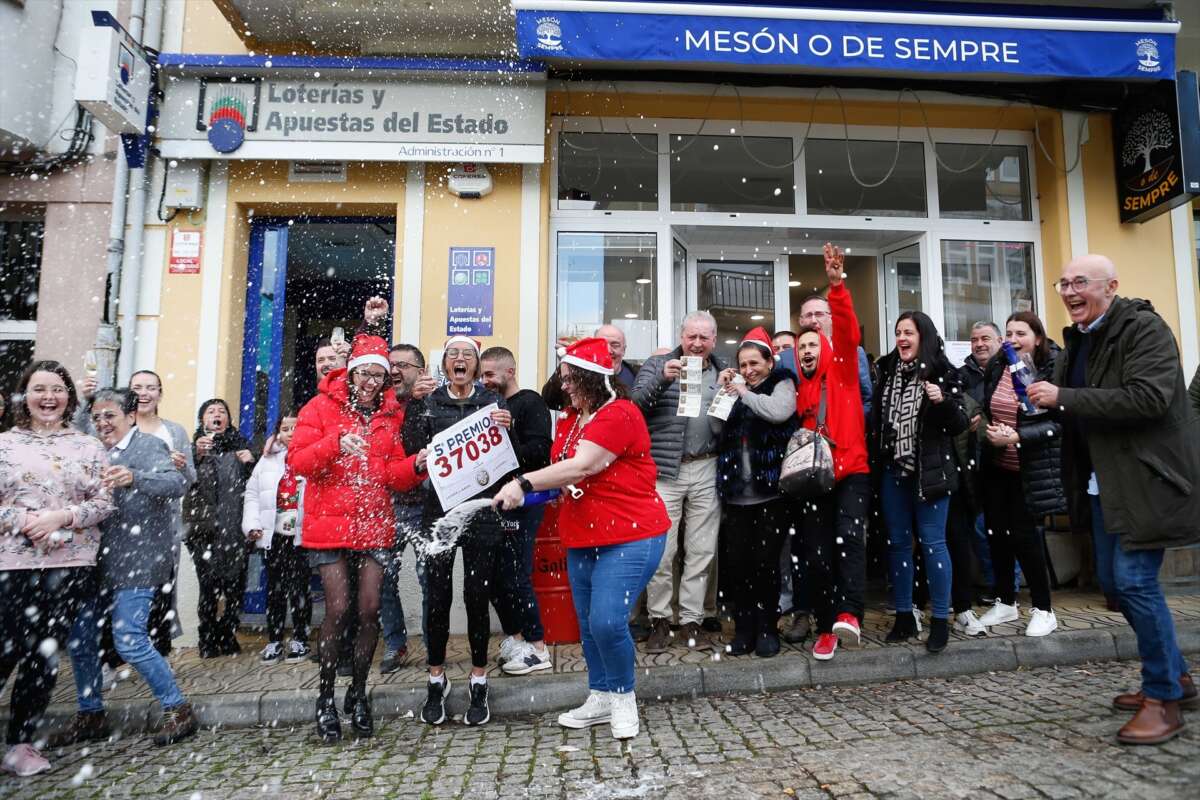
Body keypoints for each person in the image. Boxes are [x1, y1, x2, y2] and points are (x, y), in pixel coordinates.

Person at [1028, 254, 1200, 745]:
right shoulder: (1080, 339)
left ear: (1112, 286)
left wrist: (1061, 397)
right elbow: (1078, 408)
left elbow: (1147, 398)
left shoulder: (1144, 329)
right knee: (1114, 583)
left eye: (1081, 281)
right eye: (1064, 282)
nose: (1069, 290)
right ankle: (1178, 675)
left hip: (1148, 480)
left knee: (1134, 581)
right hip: (1105, 484)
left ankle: (1163, 698)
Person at [493, 337, 669, 739]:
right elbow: (563, 482)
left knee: (608, 621)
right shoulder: (572, 421)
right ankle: (600, 694)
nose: (566, 385)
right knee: (589, 626)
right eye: (565, 377)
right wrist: (521, 495)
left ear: (592, 379)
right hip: (584, 537)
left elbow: (582, 467)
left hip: (631, 535)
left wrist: (522, 481)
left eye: (573, 378)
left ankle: (624, 698)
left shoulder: (620, 414)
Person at [289, 334, 421, 743]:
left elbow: (393, 475)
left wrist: (420, 465)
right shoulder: (319, 407)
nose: (369, 382)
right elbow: (297, 461)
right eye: (364, 373)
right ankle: (326, 697)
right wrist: (333, 444)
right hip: (329, 526)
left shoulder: (390, 416)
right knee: (339, 610)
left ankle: (359, 694)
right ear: (350, 373)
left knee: (368, 611)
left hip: (374, 522)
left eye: (378, 376)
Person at [58, 389, 194, 749]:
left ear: (130, 416)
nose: (102, 423)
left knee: (129, 640)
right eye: (97, 417)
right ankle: (91, 714)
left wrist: (135, 477)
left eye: (110, 416)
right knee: (81, 640)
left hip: (138, 560)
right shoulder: (89, 449)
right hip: (91, 561)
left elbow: (176, 483)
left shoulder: (148, 445)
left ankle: (177, 707)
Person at [0, 361, 114, 777]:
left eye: (57, 389)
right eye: (39, 389)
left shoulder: (87, 446)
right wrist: (28, 521)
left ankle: (21, 743)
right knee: (6, 648)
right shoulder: (5, 445)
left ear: (68, 396)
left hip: (70, 563)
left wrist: (63, 517)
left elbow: (103, 502)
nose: (48, 397)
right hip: (13, 563)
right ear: (23, 396)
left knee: (44, 654)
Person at [402, 335, 512, 727]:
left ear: (478, 366)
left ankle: (479, 677)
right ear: (444, 364)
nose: (460, 359)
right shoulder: (428, 402)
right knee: (437, 596)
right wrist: (412, 404)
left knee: (476, 596)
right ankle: (436, 677)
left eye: (468, 355)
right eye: (453, 355)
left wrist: (508, 425)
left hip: (481, 513)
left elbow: (508, 460)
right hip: (439, 515)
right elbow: (410, 449)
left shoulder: (493, 402)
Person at [870, 312, 969, 653]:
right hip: (892, 471)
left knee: (932, 543)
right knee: (897, 544)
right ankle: (903, 615)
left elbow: (959, 424)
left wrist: (941, 401)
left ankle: (940, 619)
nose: (901, 338)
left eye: (908, 332)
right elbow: (878, 421)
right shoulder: (885, 370)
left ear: (922, 337)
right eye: (897, 332)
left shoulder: (944, 372)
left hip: (929, 472)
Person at [791, 244, 871, 661]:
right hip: (814, 477)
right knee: (817, 554)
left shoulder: (842, 368)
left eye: (813, 343)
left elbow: (847, 330)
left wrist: (837, 286)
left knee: (849, 543)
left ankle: (850, 614)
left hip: (852, 471)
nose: (806, 349)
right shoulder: (797, 386)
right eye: (800, 345)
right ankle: (826, 627)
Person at [632, 311, 726, 652]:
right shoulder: (658, 365)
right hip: (665, 471)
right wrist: (663, 380)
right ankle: (660, 620)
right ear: (681, 337)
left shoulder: (722, 370)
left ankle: (691, 621)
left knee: (701, 550)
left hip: (707, 466)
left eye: (704, 338)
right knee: (662, 550)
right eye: (692, 337)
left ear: (713, 340)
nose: (697, 344)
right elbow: (634, 407)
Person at [356, 296, 438, 674]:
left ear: (421, 371)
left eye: (402, 366)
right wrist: (371, 326)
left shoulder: (434, 402)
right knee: (383, 577)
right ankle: (395, 644)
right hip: (386, 502)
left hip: (425, 505)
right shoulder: (379, 402)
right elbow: (353, 371)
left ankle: (432, 643)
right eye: (390, 365)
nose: (393, 372)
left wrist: (423, 402)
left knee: (428, 578)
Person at [975, 312, 1064, 637]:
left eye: (1021, 333)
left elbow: (1058, 423)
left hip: (1031, 468)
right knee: (997, 534)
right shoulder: (1000, 364)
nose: (1013, 338)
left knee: (1027, 539)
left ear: (1037, 337)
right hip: (998, 465)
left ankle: (1044, 608)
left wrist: (1017, 437)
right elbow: (990, 406)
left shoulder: (1052, 366)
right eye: (1009, 332)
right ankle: (1005, 601)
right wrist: (987, 426)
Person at [712, 328, 796, 658]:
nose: (748, 369)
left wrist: (744, 391)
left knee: (766, 564)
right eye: (743, 364)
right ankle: (744, 629)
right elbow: (717, 428)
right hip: (736, 494)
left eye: (754, 363)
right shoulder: (736, 391)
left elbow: (778, 412)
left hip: (770, 492)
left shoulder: (782, 384)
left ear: (769, 362)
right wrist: (724, 393)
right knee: (739, 565)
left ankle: (767, 628)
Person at [480, 346, 554, 675]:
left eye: (490, 374)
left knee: (516, 575)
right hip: (494, 504)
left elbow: (539, 456)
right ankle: (517, 637)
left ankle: (538, 648)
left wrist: (508, 430)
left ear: (510, 372)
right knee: (495, 578)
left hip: (522, 505)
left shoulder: (530, 402)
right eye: (482, 375)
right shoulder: (485, 405)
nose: (485, 380)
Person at [183, 398, 256, 658]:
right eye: (211, 412)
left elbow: (257, 484)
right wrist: (196, 455)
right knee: (209, 586)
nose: (217, 415)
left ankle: (227, 633)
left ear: (228, 419)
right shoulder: (195, 447)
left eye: (222, 411)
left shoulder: (242, 446)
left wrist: (250, 462)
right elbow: (183, 481)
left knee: (235, 585)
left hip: (236, 527)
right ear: (203, 419)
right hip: (204, 530)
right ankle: (207, 637)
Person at [242, 412, 312, 663]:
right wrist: (252, 524)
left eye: (296, 427)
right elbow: (252, 493)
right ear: (278, 432)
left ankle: (300, 639)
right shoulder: (267, 460)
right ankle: (274, 640)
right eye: (285, 428)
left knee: (299, 589)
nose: (291, 433)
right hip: (274, 534)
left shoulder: (312, 454)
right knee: (275, 590)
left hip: (301, 534)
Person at [542, 324, 641, 410]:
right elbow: (550, 399)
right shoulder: (582, 377)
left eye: (615, 345)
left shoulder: (640, 374)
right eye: (603, 344)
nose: (609, 351)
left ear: (624, 350)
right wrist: (569, 363)